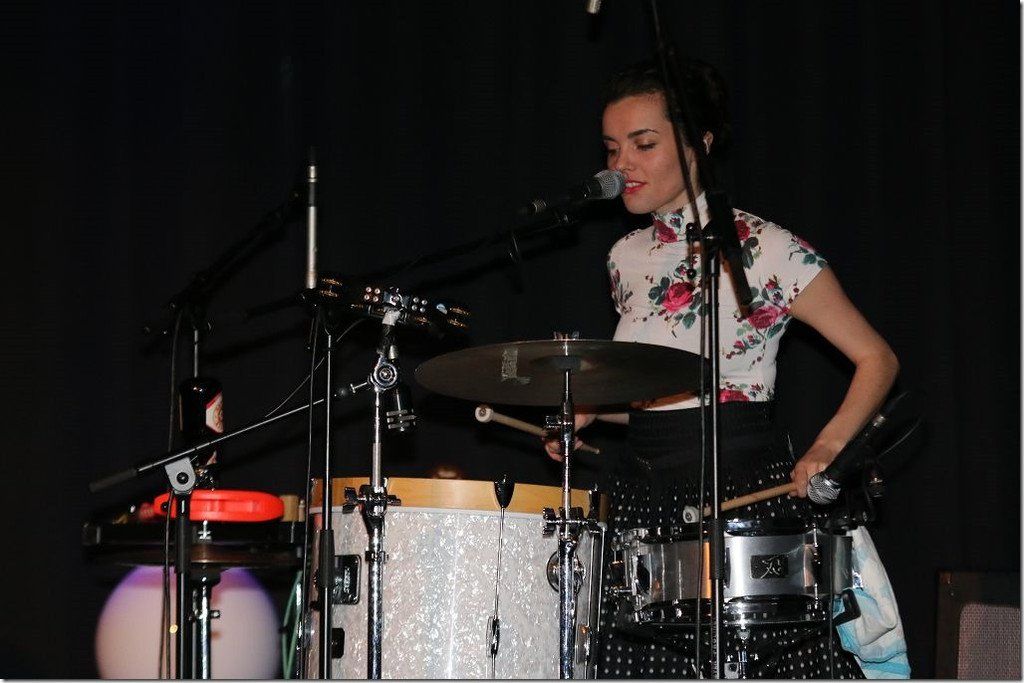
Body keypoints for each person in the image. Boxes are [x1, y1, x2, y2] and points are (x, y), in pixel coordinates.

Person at [546, 60, 900, 679]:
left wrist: (828, 447)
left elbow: (877, 357)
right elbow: (657, 386)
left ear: (700, 144)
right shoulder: (624, 256)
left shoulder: (764, 247)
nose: (621, 164)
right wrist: (590, 412)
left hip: (738, 482)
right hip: (640, 491)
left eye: (644, 144)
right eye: (612, 147)